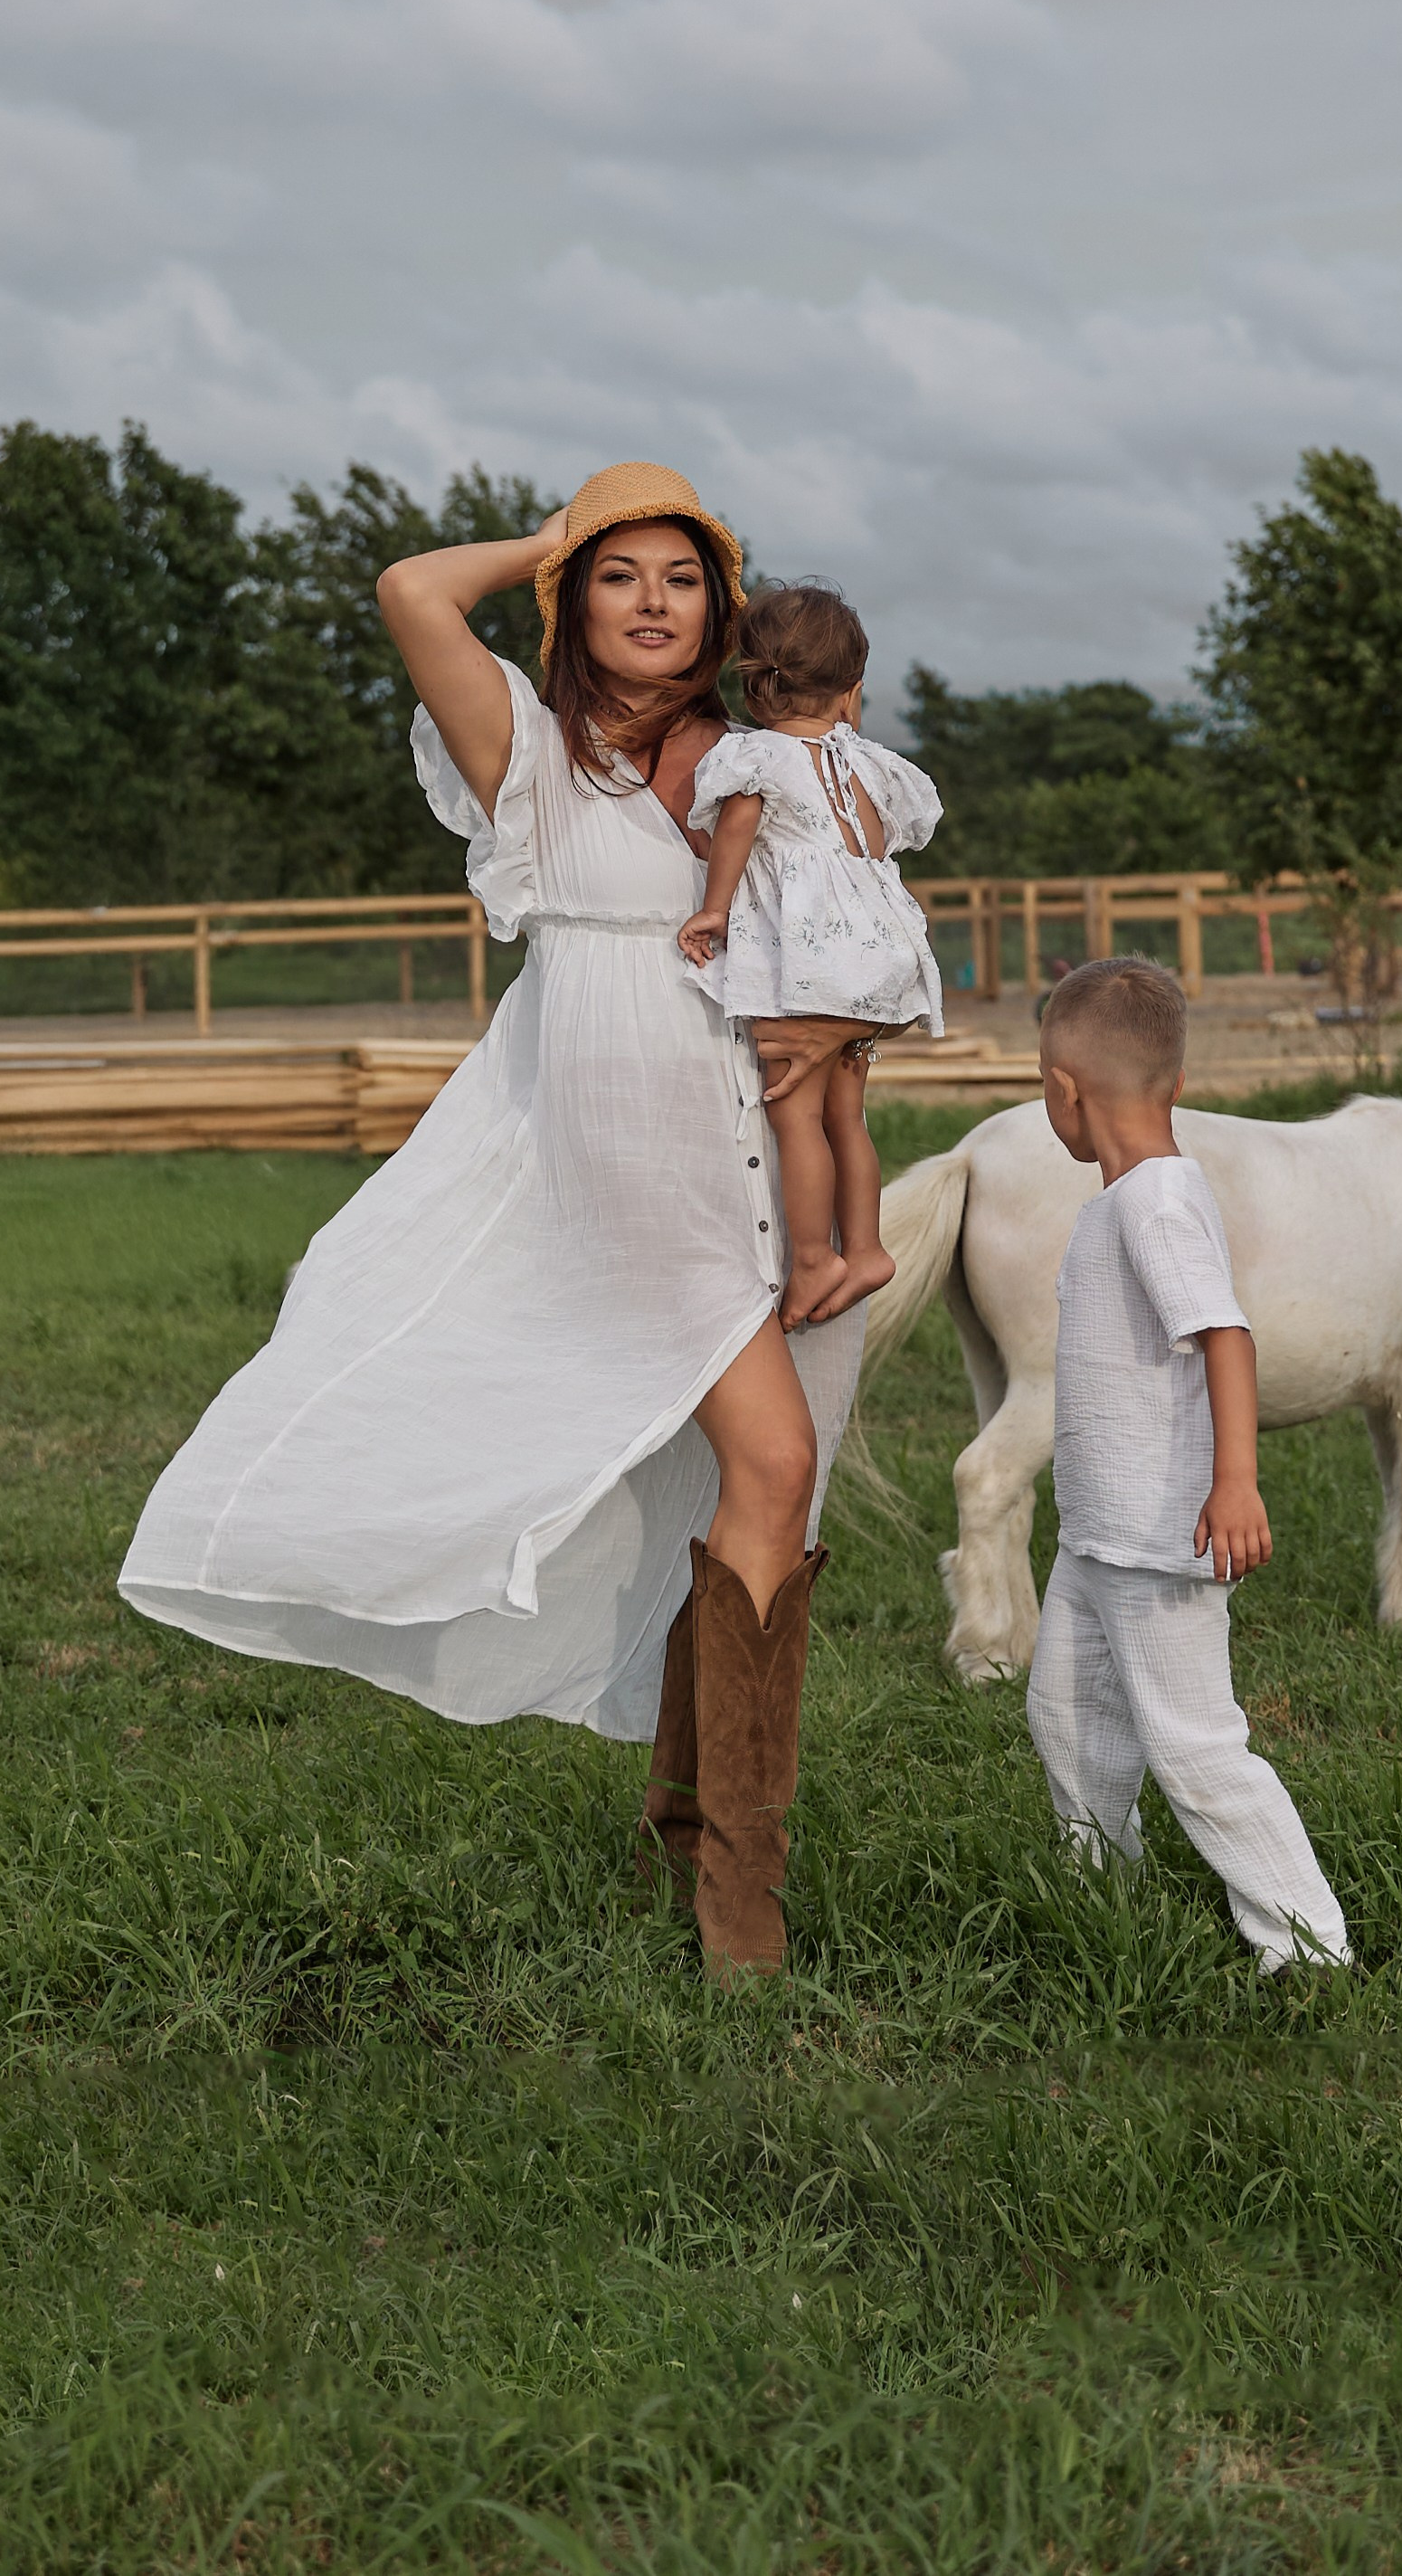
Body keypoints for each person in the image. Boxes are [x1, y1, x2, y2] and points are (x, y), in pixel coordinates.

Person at [117, 462, 865, 1982]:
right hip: (616, 1152)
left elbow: (856, 931)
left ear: (718, 611)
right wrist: (547, 536)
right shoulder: (529, 758)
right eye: (618, 575)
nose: (653, 603)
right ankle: (741, 1907)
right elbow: (407, 590)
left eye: (680, 578)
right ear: (569, 601)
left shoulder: (757, 756)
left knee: (755, 1494)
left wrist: (847, 1049)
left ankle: (688, 1833)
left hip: (765, 1141)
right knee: (770, 1462)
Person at [1025, 955, 1351, 1977]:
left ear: (1062, 1092)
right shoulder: (1123, 1201)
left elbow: (1225, 1334)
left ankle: (1306, 1943)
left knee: (1196, 1750)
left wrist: (1235, 1480)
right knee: (1066, 1717)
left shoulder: (1155, 1202)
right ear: (1173, 1084)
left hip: (1161, 1536)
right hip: (1095, 1534)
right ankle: (1102, 1895)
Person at [677, 582, 943, 1332]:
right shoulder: (869, 764)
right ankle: (865, 1246)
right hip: (876, 958)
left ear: (754, 682)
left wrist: (716, 907)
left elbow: (735, 828)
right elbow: (875, 851)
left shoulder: (757, 754)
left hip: (811, 967)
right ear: (852, 688)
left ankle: (817, 1256)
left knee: (795, 1113)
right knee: (845, 1116)